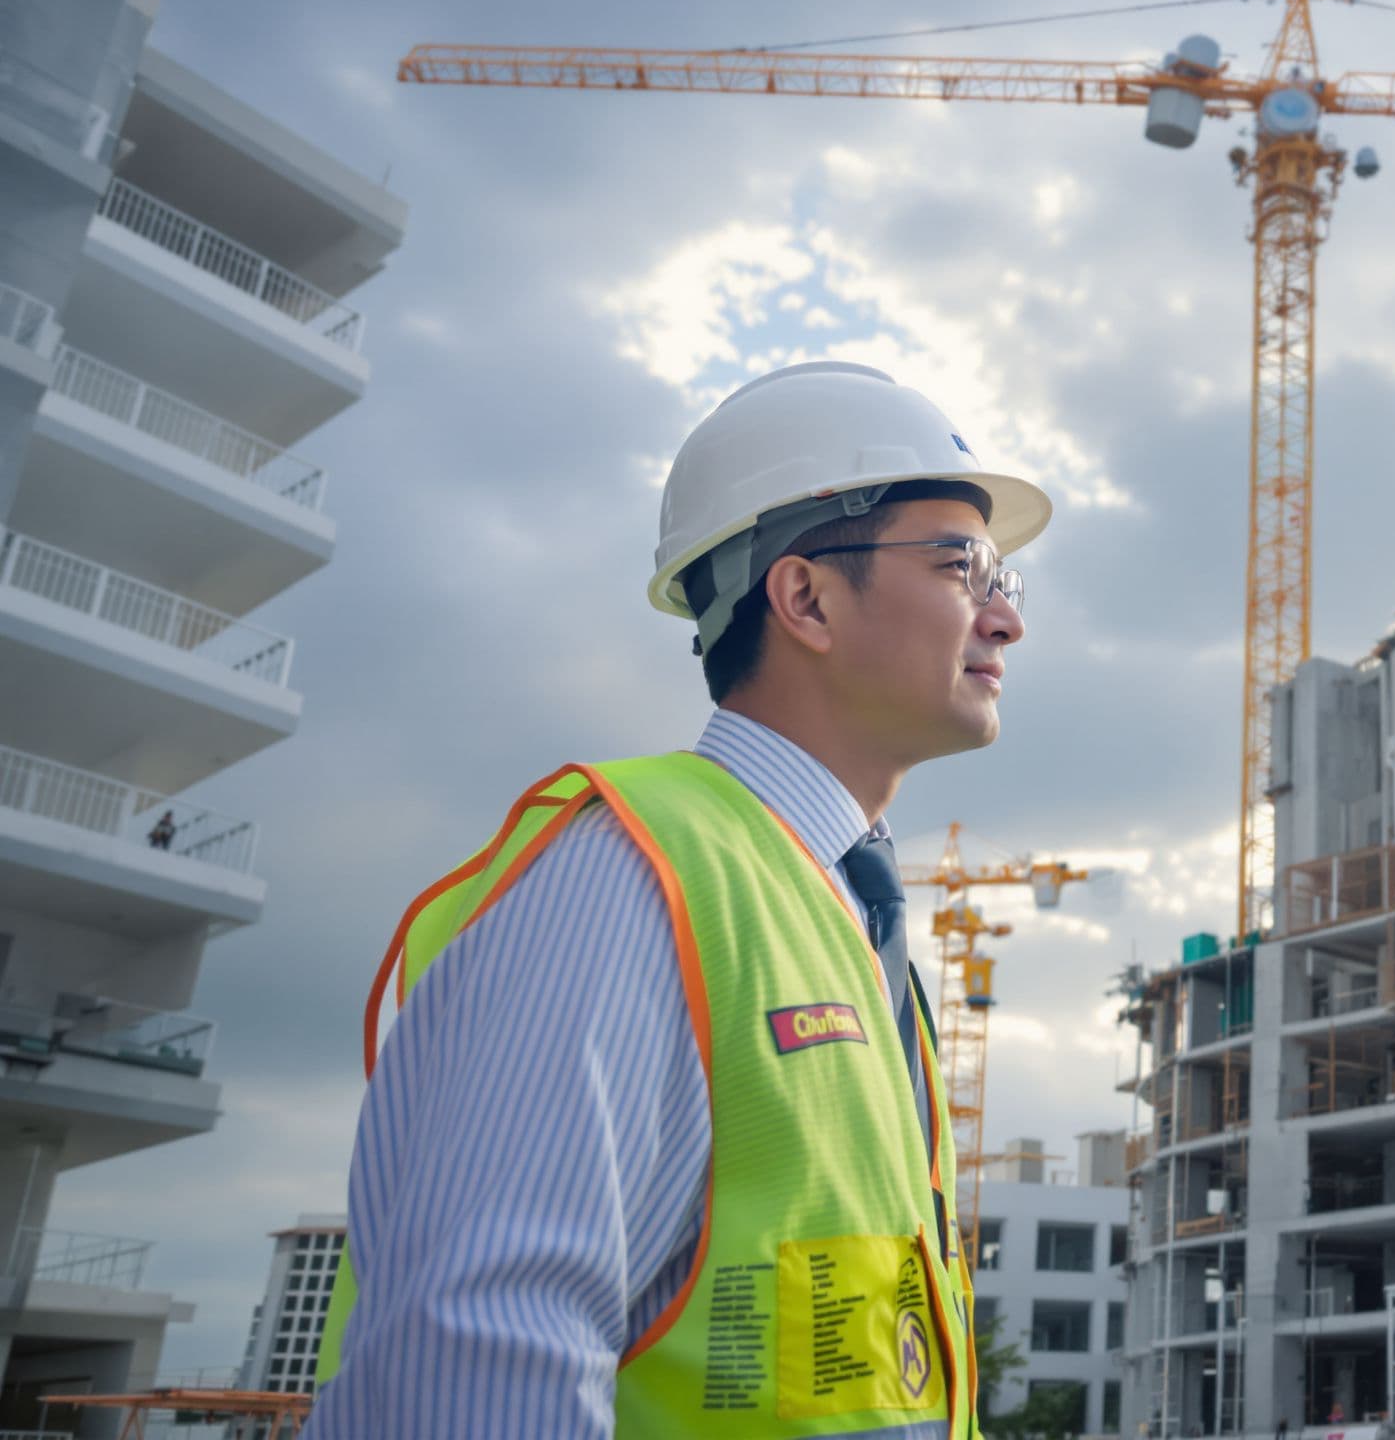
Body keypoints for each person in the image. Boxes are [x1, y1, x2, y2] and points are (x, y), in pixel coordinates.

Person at [305, 362, 1049, 1438]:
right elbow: (470, 1367)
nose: (1005, 620)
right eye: (962, 568)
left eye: (1005, 581)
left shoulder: (845, 917)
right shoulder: (624, 877)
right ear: (804, 598)